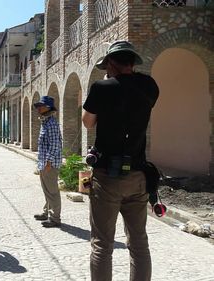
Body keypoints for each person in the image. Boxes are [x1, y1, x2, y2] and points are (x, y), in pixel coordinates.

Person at [82, 41, 159, 281]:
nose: (106, 70)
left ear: (112, 63)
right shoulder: (149, 86)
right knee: (139, 244)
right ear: (132, 62)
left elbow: (87, 122)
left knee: (102, 245)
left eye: (107, 66)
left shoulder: (101, 87)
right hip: (138, 175)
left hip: (108, 177)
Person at [32, 96, 63, 228]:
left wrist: (48, 163)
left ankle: (55, 219)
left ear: (48, 107)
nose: (39, 108)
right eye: (38, 106)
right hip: (44, 162)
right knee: (47, 190)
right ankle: (46, 213)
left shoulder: (52, 124)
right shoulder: (46, 122)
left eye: (41, 106)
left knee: (52, 191)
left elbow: (55, 145)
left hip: (49, 164)